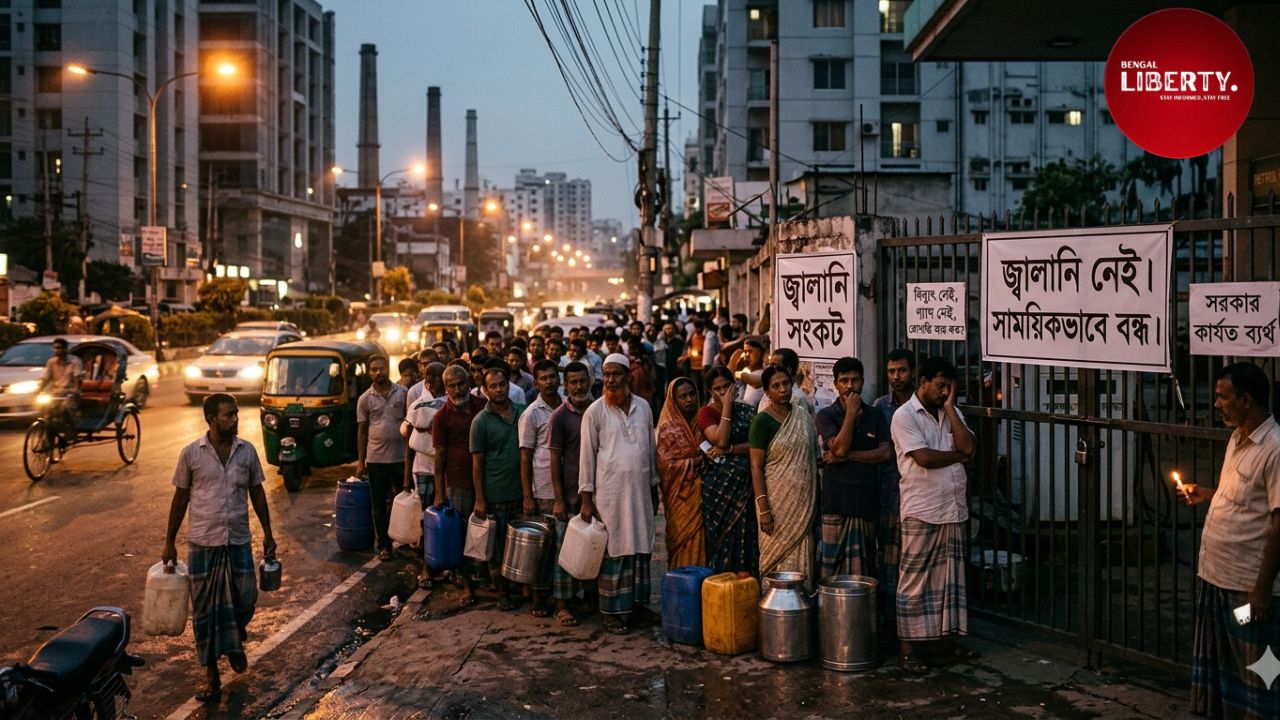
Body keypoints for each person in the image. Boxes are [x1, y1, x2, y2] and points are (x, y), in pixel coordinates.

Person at [1179, 362, 1280, 719]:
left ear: (1247, 399)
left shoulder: (1275, 448)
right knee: (1225, 660)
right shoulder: (1238, 438)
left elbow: (1278, 521)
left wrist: (1261, 588)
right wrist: (1206, 494)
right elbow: (1241, 496)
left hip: (1245, 587)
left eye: (1223, 397)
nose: (1217, 404)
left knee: (1258, 666)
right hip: (1217, 579)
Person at [162, 394, 275, 703]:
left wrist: (267, 533)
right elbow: (180, 499)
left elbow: (258, 494)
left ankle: (235, 637)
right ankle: (210, 674)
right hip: (203, 541)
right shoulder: (191, 455)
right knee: (205, 612)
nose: (235, 419)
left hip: (238, 538)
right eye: (228, 415)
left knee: (247, 598)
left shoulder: (247, 451)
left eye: (236, 414)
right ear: (211, 419)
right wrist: (169, 540)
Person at [890, 356, 978, 675]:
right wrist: (959, 457)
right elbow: (925, 458)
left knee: (948, 580)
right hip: (921, 508)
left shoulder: (950, 412)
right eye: (940, 386)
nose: (944, 392)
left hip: (952, 508)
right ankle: (907, 647)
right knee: (914, 581)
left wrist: (951, 408)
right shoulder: (904, 416)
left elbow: (971, 446)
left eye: (949, 388)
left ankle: (942, 640)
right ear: (923, 382)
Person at [579, 353, 659, 634]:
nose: (610, 380)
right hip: (610, 496)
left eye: (616, 374)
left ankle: (636, 607)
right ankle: (611, 612)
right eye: (607, 374)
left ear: (628, 376)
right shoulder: (595, 412)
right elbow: (586, 457)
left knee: (640, 547)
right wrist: (586, 498)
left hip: (639, 494)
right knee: (613, 552)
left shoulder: (644, 408)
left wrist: (654, 486)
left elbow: (649, 449)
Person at [816, 357, 893, 579]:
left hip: (866, 504)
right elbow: (837, 449)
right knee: (832, 571)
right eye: (844, 381)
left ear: (862, 381)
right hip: (836, 504)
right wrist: (850, 413)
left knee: (864, 572)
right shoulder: (827, 415)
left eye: (855, 380)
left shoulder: (875, 414)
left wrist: (848, 456)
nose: (850, 386)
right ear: (835, 384)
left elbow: (886, 452)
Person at [749, 366, 818, 588]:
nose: (782, 389)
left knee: (803, 557)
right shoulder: (761, 422)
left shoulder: (802, 415)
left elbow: (811, 456)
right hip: (775, 506)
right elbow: (756, 467)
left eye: (786, 384)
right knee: (773, 561)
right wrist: (764, 509)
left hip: (802, 506)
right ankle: (774, 616)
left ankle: (800, 615)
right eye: (776, 386)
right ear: (767, 392)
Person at [470, 365, 526, 611]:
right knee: (497, 549)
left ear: (508, 386)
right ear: (485, 390)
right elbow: (477, 464)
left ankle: (519, 588)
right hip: (495, 495)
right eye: (492, 386)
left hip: (521, 494)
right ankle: (502, 593)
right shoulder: (480, 422)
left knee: (520, 549)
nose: (498, 389)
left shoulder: (522, 413)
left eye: (502, 384)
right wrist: (480, 498)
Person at [432, 365, 487, 607]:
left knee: (486, 533)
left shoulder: (481, 406)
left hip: (486, 479)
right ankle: (468, 587)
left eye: (461, 384)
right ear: (446, 389)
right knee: (461, 537)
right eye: (451, 386)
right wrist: (440, 492)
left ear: (469, 383)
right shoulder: (441, 417)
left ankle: (487, 580)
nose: (457, 389)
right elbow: (439, 457)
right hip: (457, 483)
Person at [697, 366, 759, 574]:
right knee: (722, 537)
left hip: (746, 483)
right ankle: (721, 586)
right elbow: (720, 439)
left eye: (727, 386)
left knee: (746, 534)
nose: (724, 392)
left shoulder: (748, 410)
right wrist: (726, 407)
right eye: (718, 389)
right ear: (710, 392)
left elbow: (757, 445)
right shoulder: (706, 413)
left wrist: (732, 450)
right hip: (720, 488)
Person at [873, 347, 916, 640]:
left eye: (901, 371)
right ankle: (891, 626)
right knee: (889, 563)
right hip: (888, 495)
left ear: (912, 372)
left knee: (913, 564)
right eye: (891, 371)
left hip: (916, 495)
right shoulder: (880, 406)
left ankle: (913, 627)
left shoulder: (920, 404)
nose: (895, 377)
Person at [547, 361, 593, 626]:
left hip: (597, 495)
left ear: (590, 381)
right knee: (564, 553)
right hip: (569, 494)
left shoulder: (599, 409)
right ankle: (562, 605)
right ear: (566, 385)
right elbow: (555, 460)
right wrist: (558, 500)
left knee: (592, 549)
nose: (578, 386)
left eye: (582, 381)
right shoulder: (560, 417)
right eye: (573, 382)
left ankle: (589, 598)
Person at [518, 359, 563, 617]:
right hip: (541, 489)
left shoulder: (567, 405)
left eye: (552, 377)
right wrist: (528, 495)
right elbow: (525, 456)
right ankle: (538, 599)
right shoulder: (532, 413)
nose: (549, 382)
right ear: (536, 383)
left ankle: (562, 598)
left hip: (565, 488)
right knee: (542, 550)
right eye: (544, 378)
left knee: (561, 548)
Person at [356, 355, 408, 561]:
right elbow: (362, 431)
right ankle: (384, 546)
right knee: (378, 506)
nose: (379, 372)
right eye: (374, 369)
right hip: (376, 460)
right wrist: (361, 462)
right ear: (369, 372)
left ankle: (405, 539)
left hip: (400, 458)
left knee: (402, 502)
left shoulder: (403, 393)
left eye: (382, 368)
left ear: (388, 369)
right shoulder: (365, 399)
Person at [403, 362, 447, 587]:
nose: (430, 379)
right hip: (423, 470)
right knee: (426, 520)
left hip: (448, 471)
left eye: (435, 375)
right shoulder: (418, 403)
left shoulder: (451, 403)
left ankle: (448, 564)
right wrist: (405, 480)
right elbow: (408, 441)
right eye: (427, 376)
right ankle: (427, 566)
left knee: (449, 518)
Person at [657, 377, 708, 568]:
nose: (689, 400)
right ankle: (681, 585)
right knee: (682, 541)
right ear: (674, 400)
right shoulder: (668, 428)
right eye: (683, 396)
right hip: (679, 498)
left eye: (692, 394)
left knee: (701, 541)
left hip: (702, 496)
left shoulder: (702, 421)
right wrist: (694, 461)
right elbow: (665, 465)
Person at [38, 337, 83, 441]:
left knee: (66, 407)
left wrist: (76, 390)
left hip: (70, 393)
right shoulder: (51, 362)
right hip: (55, 393)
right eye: (55, 348)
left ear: (66, 349)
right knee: (46, 413)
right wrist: (39, 390)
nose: (57, 350)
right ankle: (49, 443)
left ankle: (71, 430)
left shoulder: (75, 361)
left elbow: (78, 378)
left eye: (60, 348)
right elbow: (46, 378)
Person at [758, 348, 815, 417]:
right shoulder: (771, 392)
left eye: (774, 365)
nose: (770, 369)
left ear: (788, 370)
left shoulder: (797, 398)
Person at [733, 338, 767, 408]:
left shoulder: (765, 373)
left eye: (750, 351)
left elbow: (756, 383)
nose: (747, 355)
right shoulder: (747, 372)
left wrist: (738, 373)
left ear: (761, 352)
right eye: (745, 352)